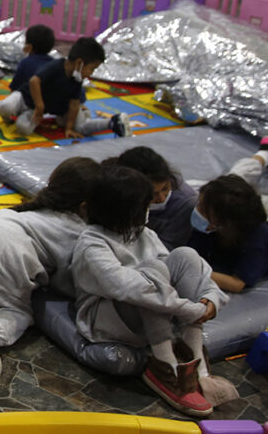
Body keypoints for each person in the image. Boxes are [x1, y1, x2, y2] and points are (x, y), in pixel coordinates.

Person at [70, 165, 232, 417]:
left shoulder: (143, 233)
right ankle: (166, 368)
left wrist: (209, 298)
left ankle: (199, 366)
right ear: (125, 210)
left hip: (155, 312)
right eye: (144, 205)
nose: (150, 208)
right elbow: (130, 288)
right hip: (107, 319)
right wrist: (190, 310)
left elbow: (183, 270)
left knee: (186, 255)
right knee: (150, 274)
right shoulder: (92, 243)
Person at [0, 157, 100, 382]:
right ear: (85, 206)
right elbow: (67, 282)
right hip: (10, 251)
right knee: (16, 311)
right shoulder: (79, 232)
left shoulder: (32, 208)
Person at [112, 140, 268, 250]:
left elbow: (166, 247)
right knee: (232, 180)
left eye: (164, 189)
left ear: (170, 180)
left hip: (208, 202)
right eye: (153, 194)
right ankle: (267, 154)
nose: (159, 198)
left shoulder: (184, 204)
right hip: (204, 192)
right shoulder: (120, 184)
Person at [9, 37, 130, 139]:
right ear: (79, 63)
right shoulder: (56, 66)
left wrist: (69, 128)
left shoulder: (77, 79)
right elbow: (34, 81)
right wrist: (39, 106)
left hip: (61, 109)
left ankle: (112, 123)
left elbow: (74, 104)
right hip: (39, 105)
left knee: (80, 127)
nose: (91, 73)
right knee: (23, 126)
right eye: (92, 69)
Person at [0, 24, 56, 121]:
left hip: (28, 102)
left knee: (3, 107)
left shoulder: (26, 62)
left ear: (29, 46)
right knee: (23, 125)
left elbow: (14, 87)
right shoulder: (54, 63)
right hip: (44, 106)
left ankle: (16, 116)